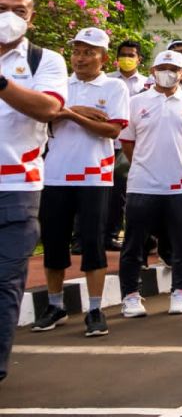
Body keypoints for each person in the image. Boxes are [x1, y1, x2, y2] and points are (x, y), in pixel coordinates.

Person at [33, 28, 130, 338]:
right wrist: (78, 112)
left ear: (102, 57)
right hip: (55, 174)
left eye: (88, 52)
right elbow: (41, 115)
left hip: (95, 176)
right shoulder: (59, 83)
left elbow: (112, 130)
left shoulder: (114, 87)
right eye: (77, 51)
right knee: (54, 241)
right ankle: (55, 304)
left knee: (92, 243)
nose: (80, 57)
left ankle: (95, 308)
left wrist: (68, 116)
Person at [0, 0, 68, 381]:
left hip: (17, 191)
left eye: (18, 10)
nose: (8, 16)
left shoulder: (47, 61)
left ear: (31, 17)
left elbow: (49, 108)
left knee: (5, 283)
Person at [117, 49, 182, 318]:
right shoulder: (136, 102)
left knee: (181, 242)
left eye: (174, 68)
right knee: (134, 243)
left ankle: (180, 292)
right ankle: (131, 296)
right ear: (153, 71)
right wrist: (146, 165)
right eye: (163, 67)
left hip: (180, 185)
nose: (168, 73)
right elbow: (128, 144)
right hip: (142, 184)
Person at [108, 40, 148, 251]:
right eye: (123, 54)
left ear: (139, 59)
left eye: (131, 55)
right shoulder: (108, 81)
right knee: (111, 194)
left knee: (129, 192)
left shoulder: (146, 83)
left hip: (136, 145)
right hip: (109, 143)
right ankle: (110, 234)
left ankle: (138, 237)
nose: (126, 58)